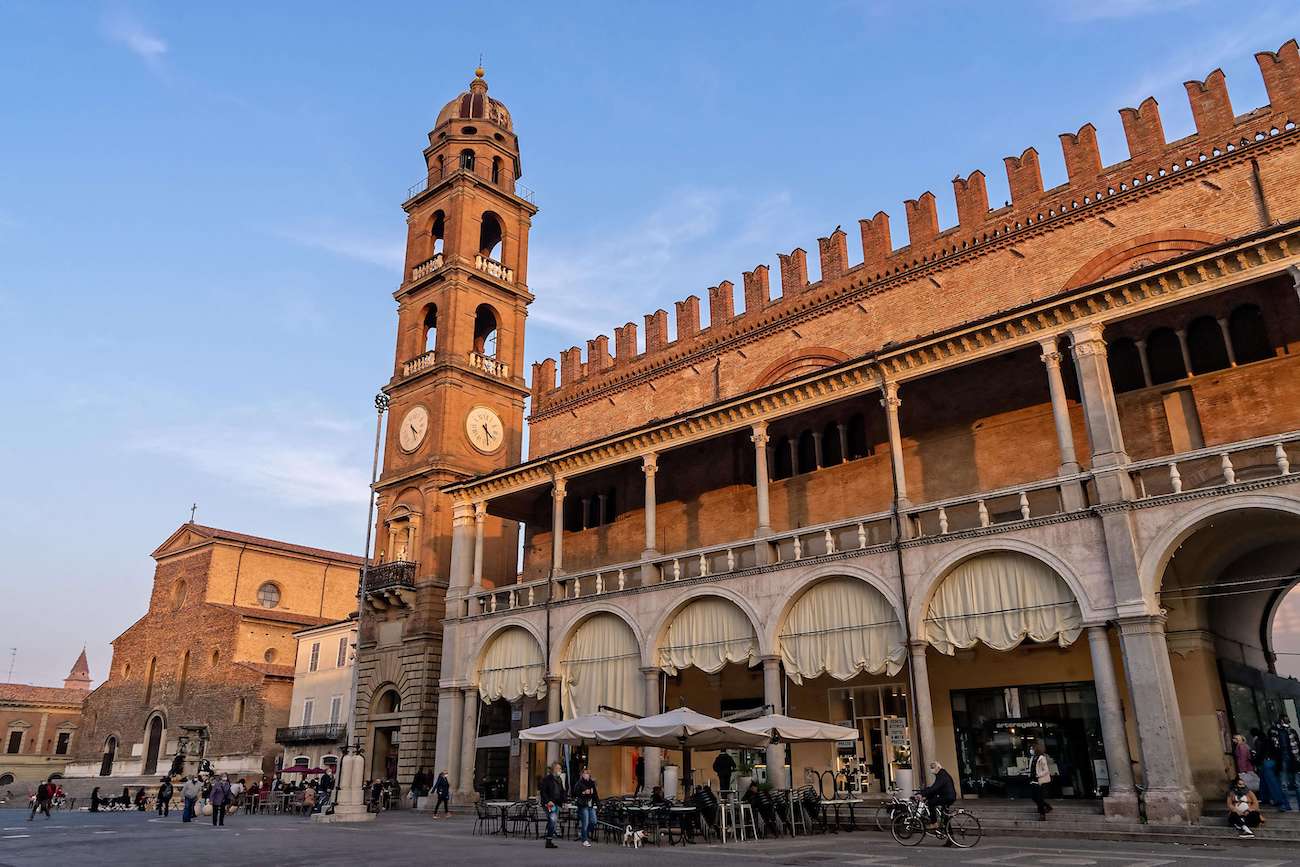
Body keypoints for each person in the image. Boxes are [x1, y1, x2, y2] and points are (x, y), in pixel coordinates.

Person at [1255, 726, 1292, 811]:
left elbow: (1262, 753)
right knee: (1282, 784)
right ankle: (1283, 803)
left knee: (1275, 784)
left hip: (1270, 762)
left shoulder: (1267, 741)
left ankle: (1282, 802)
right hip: (1280, 761)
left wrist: (1257, 761)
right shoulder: (1284, 738)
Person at [916, 761, 956, 826]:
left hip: (947, 796)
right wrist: (924, 793)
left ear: (938, 767)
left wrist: (922, 794)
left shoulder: (941, 775)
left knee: (931, 803)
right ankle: (948, 831)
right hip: (949, 796)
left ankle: (934, 823)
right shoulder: (942, 774)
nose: (931, 769)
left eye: (932, 767)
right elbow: (935, 788)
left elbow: (934, 788)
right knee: (945, 814)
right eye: (931, 768)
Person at [539, 762, 567, 849]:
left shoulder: (559, 779)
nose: (560, 770)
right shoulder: (546, 779)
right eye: (558, 768)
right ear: (554, 769)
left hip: (556, 803)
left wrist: (564, 801)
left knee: (553, 821)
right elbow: (543, 792)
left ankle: (549, 838)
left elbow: (562, 792)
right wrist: (548, 801)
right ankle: (548, 840)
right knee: (553, 819)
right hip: (549, 803)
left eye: (560, 768)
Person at [1273, 715, 1300, 802]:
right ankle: (1285, 804)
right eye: (1284, 720)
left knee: (1297, 783)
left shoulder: (1292, 731)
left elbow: (1297, 744)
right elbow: (1275, 745)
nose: (1285, 721)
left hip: (1294, 757)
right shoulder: (1277, 732)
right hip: (1283, 758)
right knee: (1284, 784)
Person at [572, 767, 599, 848]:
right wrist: (583, 792)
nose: (587, 775)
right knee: (585, 822)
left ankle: (584, 833)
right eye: (585, 773)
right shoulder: (579, 783)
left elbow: (595, 795)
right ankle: (584, 840)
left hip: (591, 805)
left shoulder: (592, 783)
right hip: (583, 805)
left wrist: (598, 804)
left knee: (594, 821)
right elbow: (575, 793)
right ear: (582, 774)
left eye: (588, 773)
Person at [1028, 742, 1054, 821]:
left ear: (1036, 749)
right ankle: (1047, 806)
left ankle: (1042, 814)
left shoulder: (1041, 758)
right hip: (1033, 780)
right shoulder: (1032, 758)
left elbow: (1046, 770)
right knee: (1034, 797)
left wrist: (1038, 775)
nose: (1030, 750)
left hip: (1040, 780)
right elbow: (1032, 768)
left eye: (1032, 748)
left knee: (1039, 797)